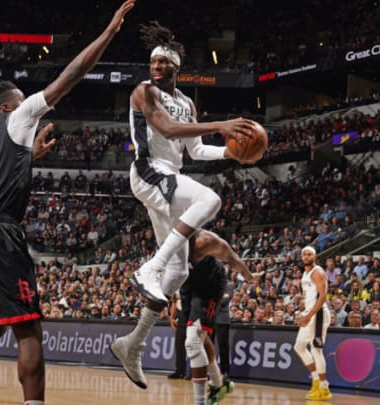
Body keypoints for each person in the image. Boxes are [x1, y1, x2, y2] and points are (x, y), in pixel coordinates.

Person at [0, 3, 136, 404]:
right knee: (28, 326)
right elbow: (70, 77)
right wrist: (109, 33)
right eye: (21, 98)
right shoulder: (17, 116)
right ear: (9, 105)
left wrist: (29, 156)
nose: (27, 101)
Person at [110, 20, 254, 389]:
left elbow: (196, 150)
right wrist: (221, 123)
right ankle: (149, 269)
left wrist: (231, 153)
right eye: (154, 63)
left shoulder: (187, 102)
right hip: (148, 172)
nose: (157, 68)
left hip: (170, 177)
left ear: (177, 67)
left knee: (178, 275)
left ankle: (132, 343)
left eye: (164, 63)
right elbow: (168, 131)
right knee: (210, 198)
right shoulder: (144, 92)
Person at [179, 229, 261, 404]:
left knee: (193, 342)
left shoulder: (204, 241)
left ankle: (199, 401)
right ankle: (219, 383)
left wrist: (248, 276)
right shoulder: (166, 234)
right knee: (199, 336)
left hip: (210, 284)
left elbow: (232, 258)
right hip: (188, 284)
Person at [293, 246, 332, 401]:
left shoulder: (318, 272)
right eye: (304, 254)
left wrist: (309, 316)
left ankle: (323, 387)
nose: (306, 256)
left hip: (319, 314)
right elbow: (309, 297)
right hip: (310, 313)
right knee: (299, 347)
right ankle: (316, 380)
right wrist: (302, 313)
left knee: (316, 350)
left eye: (309, 254)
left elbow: (322, 297)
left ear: (315, 257)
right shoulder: (305, 273)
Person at [168, 292, 188, 380]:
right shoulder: (177, 286)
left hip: (191, 314)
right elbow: (174, 303)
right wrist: (172, 318)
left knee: (193, 346)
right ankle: (180, 371)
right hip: (181, 316)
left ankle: (193, 372)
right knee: (179, 345)